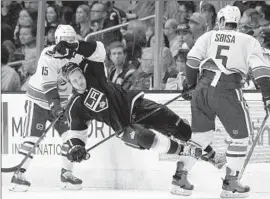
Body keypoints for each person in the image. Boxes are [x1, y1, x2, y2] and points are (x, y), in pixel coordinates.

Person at [52, 39, 227, 185]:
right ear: (69, 83)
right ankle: (184, 151)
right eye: (75, 80)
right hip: (122, 126)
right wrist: (77, 147)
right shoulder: (75, 105)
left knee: (173, 121)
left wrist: (74, 45)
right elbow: (77, 133)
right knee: (146, 138)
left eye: (80, 77)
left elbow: (98, 49)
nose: (80, 82)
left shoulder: (93, 74)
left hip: (135, 105)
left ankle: (210, 154)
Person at [178, 5, 270, 198]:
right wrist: (268, 97)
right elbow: (261, 73)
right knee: (240, 137)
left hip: (202, 88)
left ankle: (179, 179)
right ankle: (230, 184)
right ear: (237, 22)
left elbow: (192, 61)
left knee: (200, 138)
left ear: (220, 21)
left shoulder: (209, 36)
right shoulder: (248, 41)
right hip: (226, 89)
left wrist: (190, 84)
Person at [9, 25, 84, 192]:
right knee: (34, 138)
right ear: (57, 40)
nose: (68, 44)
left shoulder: (79, 55)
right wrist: (55, 106)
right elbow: (49, 85)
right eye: (64, 40)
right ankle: (17, 175)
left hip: (62, 103)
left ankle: (66, 174)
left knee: (70, 136)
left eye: (72, 40)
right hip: (39, 101)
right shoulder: (48, 54)